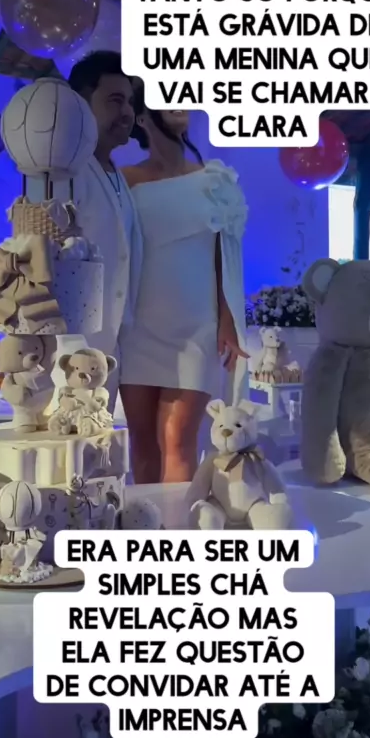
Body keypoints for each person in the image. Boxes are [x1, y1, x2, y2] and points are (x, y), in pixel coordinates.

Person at [118, 85, 249, 485]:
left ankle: (179, 523)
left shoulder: (213, 180)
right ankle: (146, 522)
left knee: (177, 438)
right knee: (142, 441)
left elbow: (223, 254)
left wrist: (227, 319)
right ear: (142, 117)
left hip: (196, 327)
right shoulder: (125, 181)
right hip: (139, 327)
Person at [68, 51, 143, 410]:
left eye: (129, 102)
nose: (127, 112)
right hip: (72, 353)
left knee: (99, 441)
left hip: (112, 348)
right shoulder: (64, 170)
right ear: (82, 105)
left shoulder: (117, 175)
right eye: (115, 100)